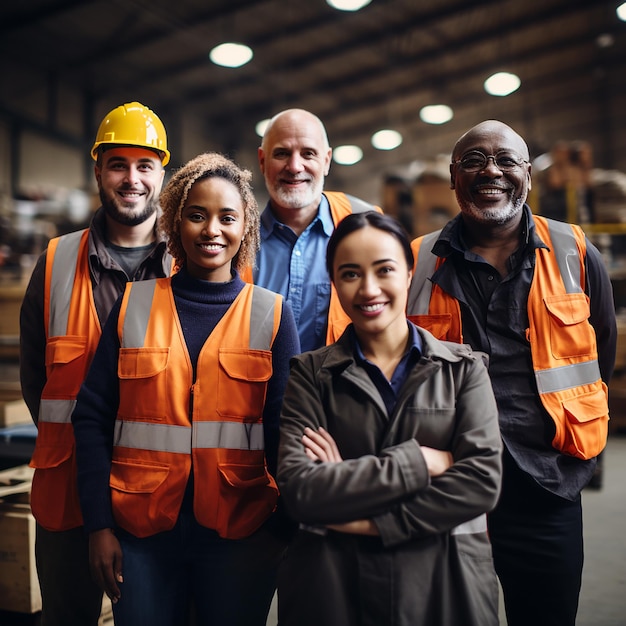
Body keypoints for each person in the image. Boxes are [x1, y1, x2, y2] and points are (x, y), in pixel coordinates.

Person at [71, 152, 300, 626]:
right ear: (176, 222)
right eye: (196, 215)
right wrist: (99, 526)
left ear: (246, 228)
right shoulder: (134, 305)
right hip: (140, 534)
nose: (211, 230)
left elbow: (285, 431)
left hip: (241, 535)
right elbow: (91, 417)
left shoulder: (272, 315)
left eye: (227, 217)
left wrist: (282, 528)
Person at [407, 120, 618, 626]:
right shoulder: (416, 262)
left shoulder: (573, 252)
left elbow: (599, 354)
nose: (491, 172)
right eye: (474, 161)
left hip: (545, 486)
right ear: (455, 176)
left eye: (505, 160)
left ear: (527, 173)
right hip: (447, 488)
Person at [276, 211, 503, 626]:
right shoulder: (310, 375)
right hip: (332, 588)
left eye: (385, 270)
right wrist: (420, 462)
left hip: (444, 586)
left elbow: (482, 481)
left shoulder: (463, 370)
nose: (369, 289)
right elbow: (301, 490)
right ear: (333, 282)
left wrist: (364, 514)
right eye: (350, 273)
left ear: (410, 272)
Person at [19, 101, 172, 626]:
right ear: (99, 171)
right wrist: (81, 452)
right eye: (118, 164)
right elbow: (34, 377)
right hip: (67, 494)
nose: (131, 179)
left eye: (144, 165)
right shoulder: (56, 262)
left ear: (162, 174)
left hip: (160, 490)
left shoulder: (190, 264)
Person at [246, 108, 382, 352]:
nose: (295, 166)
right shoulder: (235, 240)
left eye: (308, 153)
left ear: (326, 160)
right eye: (282, 153)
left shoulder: (367, 225)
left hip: (342, 386)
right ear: (262, 161)